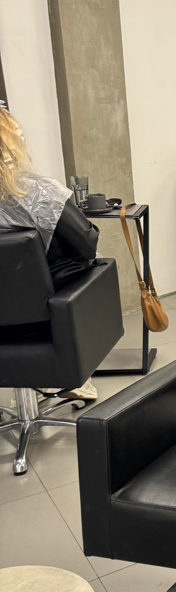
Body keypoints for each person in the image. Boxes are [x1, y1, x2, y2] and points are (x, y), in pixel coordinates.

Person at [0, 104, 99, 400]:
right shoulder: (39, 191)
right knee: (92, 267)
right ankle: (69, 378)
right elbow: (86, 242)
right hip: (40, 313)